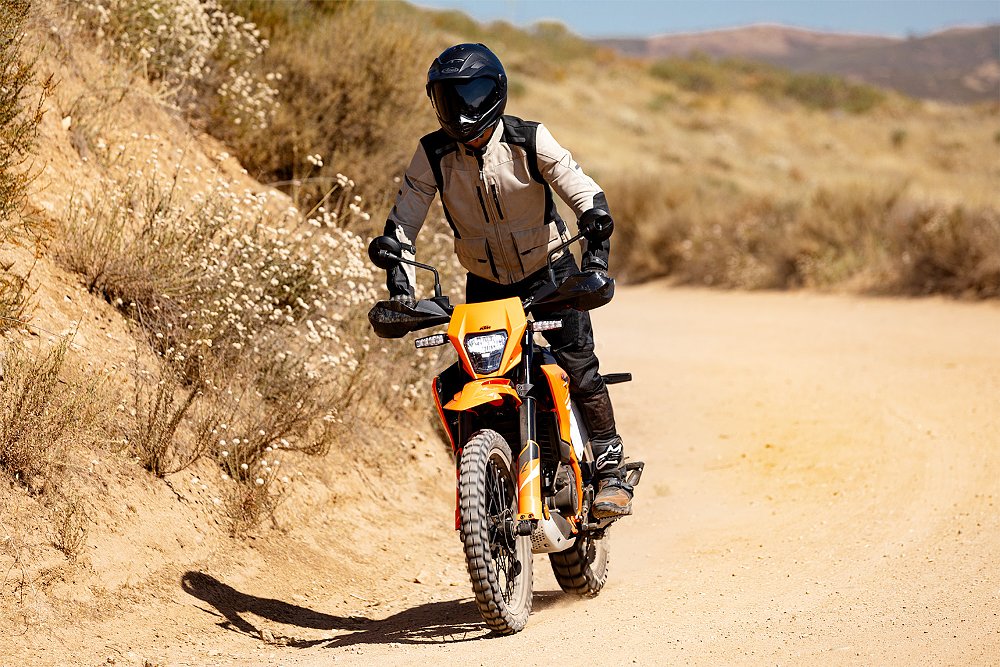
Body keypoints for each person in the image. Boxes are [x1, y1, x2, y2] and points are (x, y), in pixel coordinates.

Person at [380, 43, 632, 518]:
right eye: (448, 98)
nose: (461, 109)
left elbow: (586, 194)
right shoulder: (432, 154)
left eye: (472, 95)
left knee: (578, 367)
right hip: (487, 285)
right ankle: (490, 473)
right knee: (476, 377)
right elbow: (402, 228)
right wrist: (401, 293)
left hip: (551, 275)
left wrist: (594, 258)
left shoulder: (530, 139)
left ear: (496, 93)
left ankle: (611, 465)